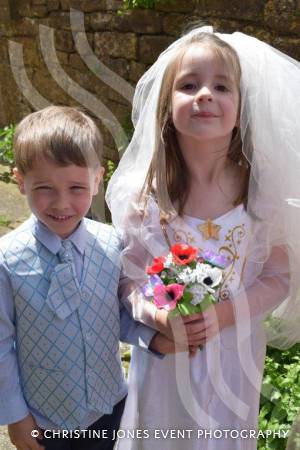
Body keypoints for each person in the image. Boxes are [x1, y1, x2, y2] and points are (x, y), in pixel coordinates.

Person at [106, 26, 300, 449]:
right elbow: (129, 280)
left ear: (242, 106)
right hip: (166, 357)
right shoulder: (147, 195)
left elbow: (279, 278)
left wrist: (224, 315)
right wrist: (156, 316)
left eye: (221, 86)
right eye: (189, 85)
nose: (205, 94)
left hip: (233, 355)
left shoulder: (261, 193)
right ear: (166, 105)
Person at [0, 106, 173, 450]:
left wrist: (154, 339)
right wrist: (16, 416)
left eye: (77, 187)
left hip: (111, 407)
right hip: (45, 418)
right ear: (20, 181)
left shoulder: (113, 243)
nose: (61, 203)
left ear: (98, 179)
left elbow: (118, 314)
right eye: (45, 188)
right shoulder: (6, 260)